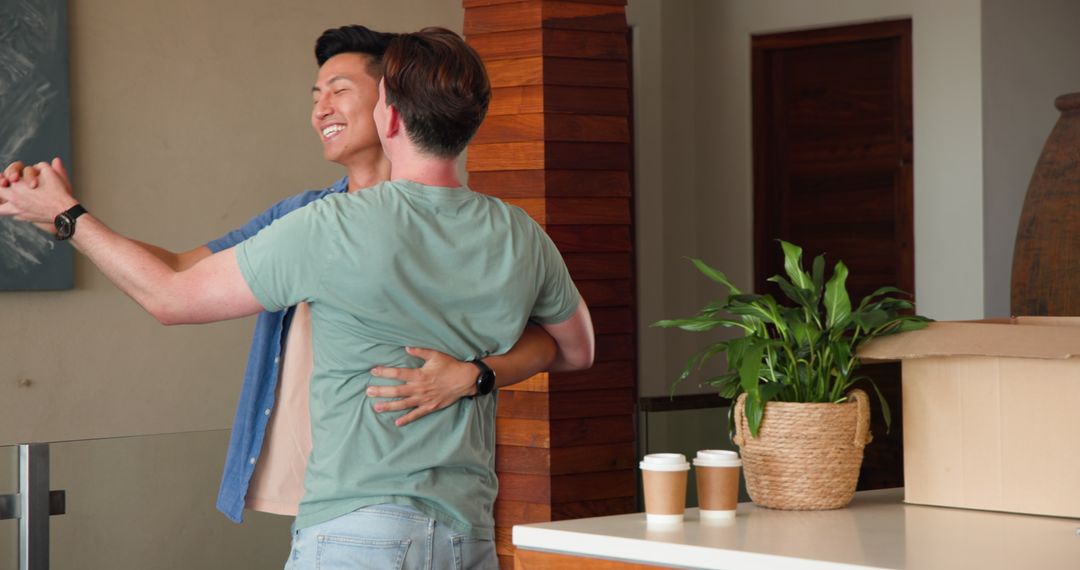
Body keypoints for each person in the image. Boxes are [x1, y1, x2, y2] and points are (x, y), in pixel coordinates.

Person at [0, 26, 594, 569]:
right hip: (468, 534)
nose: (321, 107)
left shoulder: (332, 225)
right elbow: (576, 350)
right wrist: (479, 373)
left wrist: (67, 216)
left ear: (390, 115)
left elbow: (171, 298)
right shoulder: (521, 234)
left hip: (358, 535)